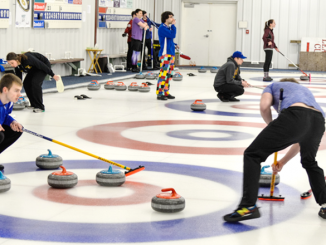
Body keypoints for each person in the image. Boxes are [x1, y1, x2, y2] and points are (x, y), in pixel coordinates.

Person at [223, 78, 326, 222]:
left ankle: (248, 206)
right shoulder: (305, 92)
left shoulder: (273, 86)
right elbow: (300, 141)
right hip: (319, 120)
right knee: (309, 162)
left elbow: (264, 106)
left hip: (295, 115)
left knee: (252, 154)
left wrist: (273, 125)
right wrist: (283, 161)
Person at [0, 74, 24, 171]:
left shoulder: (9, 102)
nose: (20, 94)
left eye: (20, 91)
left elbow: (4, 116)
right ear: (5, 90)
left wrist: (12, 122)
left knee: (17, 130)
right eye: (16, 91)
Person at [156, 11, 178, 100]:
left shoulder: (167, 27)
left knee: (169, 74)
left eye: (173, 16)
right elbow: (173, 35)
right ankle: (160, 93)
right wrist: (173, 25)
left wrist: (174, 44)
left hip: (171, 53)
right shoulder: (162, 28)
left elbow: (169, 39)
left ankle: (166, 91)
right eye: (170, 17)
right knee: (163, 74)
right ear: (166, 18)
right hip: (165, 54)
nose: (172, 18)